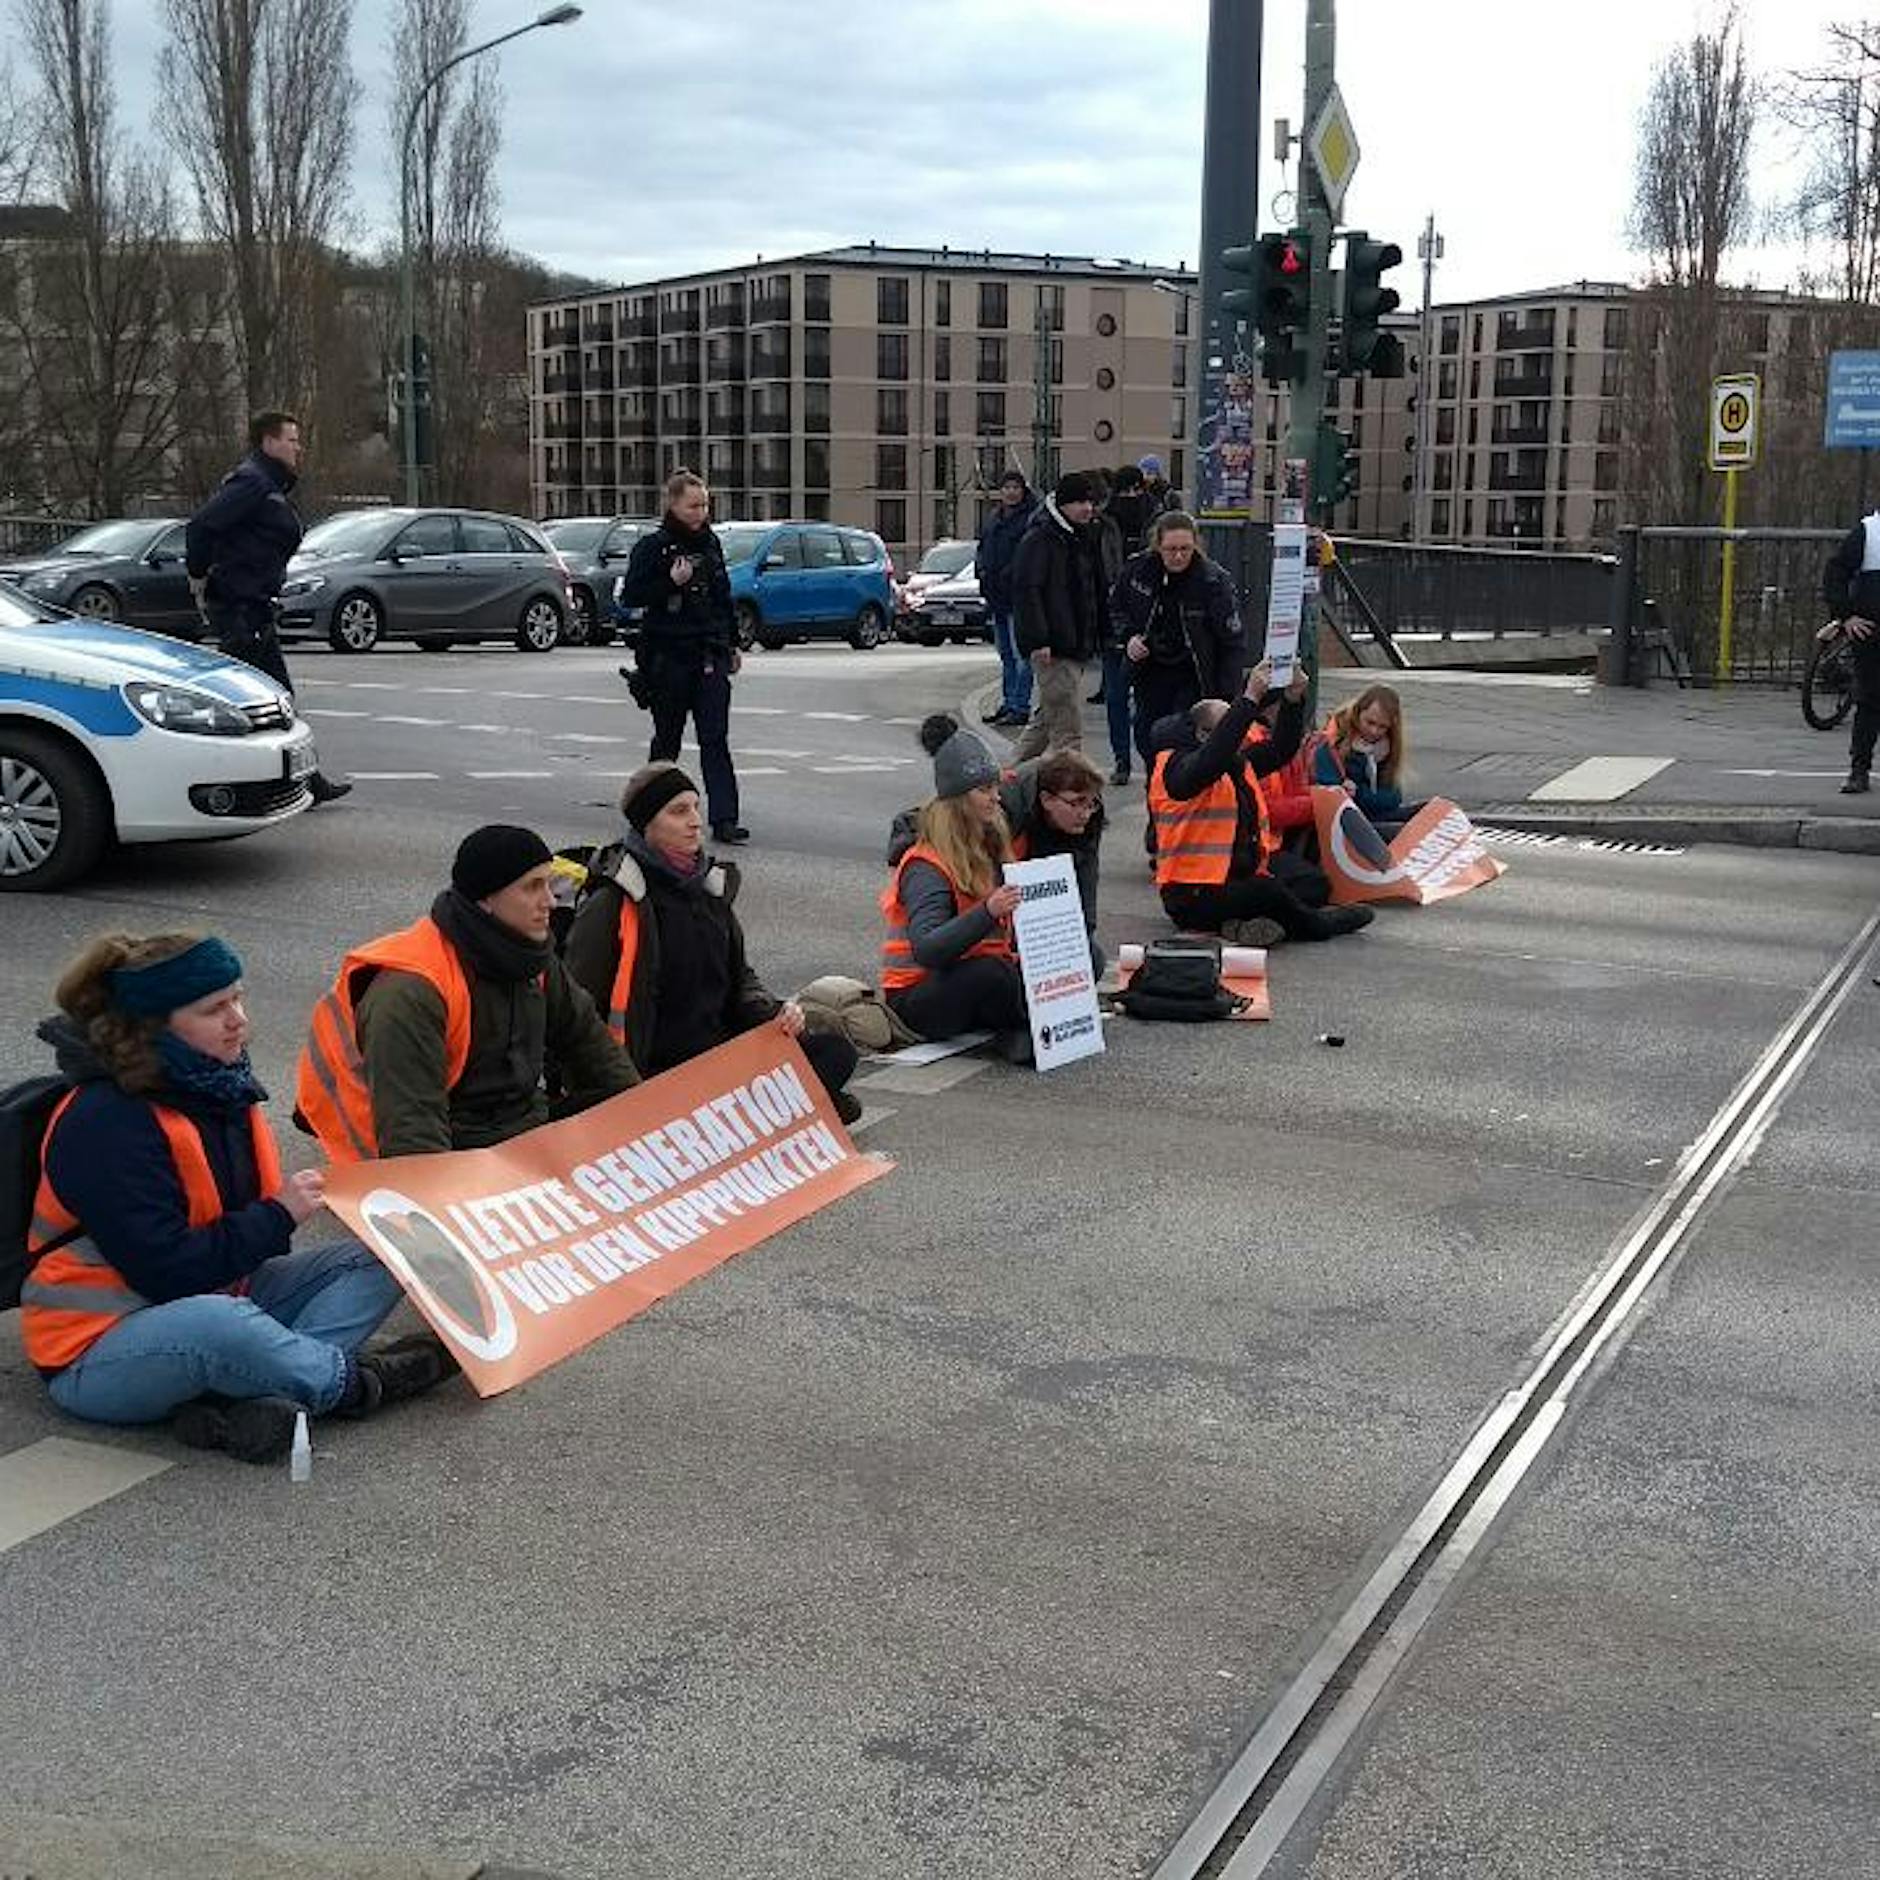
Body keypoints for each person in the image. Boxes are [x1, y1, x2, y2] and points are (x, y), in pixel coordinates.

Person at [20, 932, 451, 1463]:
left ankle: (264, 1395)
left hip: (218, 1297)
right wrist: (278, 1214)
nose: (239, 1020)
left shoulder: (217, 1088)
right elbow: (168, 1272)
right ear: (153, 1026)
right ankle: (358, 1385)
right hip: (95, 1349)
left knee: (388, 1250)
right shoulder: (105, 1122)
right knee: (218, 1325)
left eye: (237, 998)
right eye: (214, 1009)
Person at [296, 824, 640, 1163]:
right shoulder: (412, 990)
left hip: (513, 1129)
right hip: (444, 1147)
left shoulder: (531, 955)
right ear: (487, 899)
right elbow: (412, 1133)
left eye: (548, 884)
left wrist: (643, 1126)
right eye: (532, 887)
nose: (550, 900)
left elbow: (590, 1045)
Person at [564, 763, 863, 1124]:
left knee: (834, 1051)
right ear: (647, 825)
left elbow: (740, 978)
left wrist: (775, 1013)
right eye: (678, 812)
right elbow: (577, 1007)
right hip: (655, 1071)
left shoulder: (708, 888)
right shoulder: (614, 900)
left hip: (720, 1058)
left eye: (696, 807)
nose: (695, 821)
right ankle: (788, 1111)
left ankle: (768, 1114)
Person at [185, 409, 350, 804]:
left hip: (256, 607)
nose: (298, 448)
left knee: (278, 699)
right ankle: (230, 785)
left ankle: (300, 780)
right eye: (292, 440)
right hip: (240, 608)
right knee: (246, 705)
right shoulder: (252, 484)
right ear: (269, 442)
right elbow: (202, 526)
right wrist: (199, 575)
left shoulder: (268, 485)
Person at [1149, 662, 1375, 944]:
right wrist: (1250, 699)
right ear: (1203, 734)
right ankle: (1315, 926)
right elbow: (1210, 760)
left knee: (1311, 884)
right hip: (1193, 894)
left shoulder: (1235, 763)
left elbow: (1280, 749)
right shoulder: (1177, 768)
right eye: (1229, 729)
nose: (1238, 737)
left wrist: (1293, 700)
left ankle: (1248, 924)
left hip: (1236, 874)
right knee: (1268, 893)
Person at [881, 717, 1030, 1058]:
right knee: (993, 974)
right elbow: (928, 949)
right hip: (916, 996)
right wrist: (989, 911)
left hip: (962, 977)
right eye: (984, 790)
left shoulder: (988, 844)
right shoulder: (925, 863)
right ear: (957, 800)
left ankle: (1028, 1020)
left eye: (996, 787)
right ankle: (1023, 1027)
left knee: (1082, 956)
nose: (996, 798)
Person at [616, 470, 747, 844]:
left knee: (715, 738)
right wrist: (669, 584)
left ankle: (724, 819)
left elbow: (723, 598)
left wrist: (733, 644)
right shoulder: (653, 547)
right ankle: (649, 812)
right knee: (668, 741)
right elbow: (632, 597)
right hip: (668, 656)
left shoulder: (711, 545)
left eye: (704, 505)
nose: (700, 512)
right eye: (693, 505)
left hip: (709, 652)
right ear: (673, 504)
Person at [1112, 511, 1247, 780]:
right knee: (1148, 739)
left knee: (1182, 745)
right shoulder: (1139, 571)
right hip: (1150, 671)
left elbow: (1231, 643)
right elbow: (1116, 610)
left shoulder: (1213, 581)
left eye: (1185, 549)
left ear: (1195, 546)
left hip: (1194, 676)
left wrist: (1226, 697)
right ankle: (1156, 801)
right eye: (1171, 549)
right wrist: (1129, 638)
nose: (1178, 556)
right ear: (1158, 547)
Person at [1011, 470, 1106, 761]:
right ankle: (1075, 792)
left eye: (1090, 502)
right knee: (1067, 731)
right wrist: (1039, 639)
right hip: (1055, 648)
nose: (1087, 509)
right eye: (1079, 502)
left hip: (1074, 645)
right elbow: (1028, 591)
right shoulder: (1041, 539)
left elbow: (1092, 590)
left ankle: (1005, 784)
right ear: (1063, 505)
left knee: (1044, 722)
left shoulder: (1080, 537)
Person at [1001, 745, 1108, 974]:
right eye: (1075, 803)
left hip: (1038, 892)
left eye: (1090, 803)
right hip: (998, 900)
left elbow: (1086, 876)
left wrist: (1081, 937)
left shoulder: (1091, 814)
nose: (1085, 813)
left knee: (1091, 960)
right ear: (1047, 800)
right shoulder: (1006, 807)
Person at [1820, 507, 1880, 793]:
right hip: (1871, 630)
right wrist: (1846, 616)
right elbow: (1835, 573)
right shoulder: (1868, 531)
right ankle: (1859, 769)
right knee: (1869, 700)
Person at [1313, 685, 1424, 834]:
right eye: (1370, 722)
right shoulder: (1333, 742)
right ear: (1357, 713)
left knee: (1432, 809)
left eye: (1382, 727)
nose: (1374, 731)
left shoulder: (1385, 747)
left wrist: (1359, 793)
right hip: (1346, 825)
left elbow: (1393, 798)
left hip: (1373, 815)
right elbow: (1330, 797)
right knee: (1408, 832)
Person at [975, 470, 1039, 728]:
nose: (1011, 492)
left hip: (1018, 596)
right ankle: (1008, 702)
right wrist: (981, 572)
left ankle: (1020, 705)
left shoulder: (1030, 518)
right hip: (996, 596)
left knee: (1020, 654)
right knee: (1005, 655)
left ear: (1023, 490)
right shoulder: (994, 518)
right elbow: (982, 549)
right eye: (1006, 487)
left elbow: (1028, 555)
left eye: (1015, 487)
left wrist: (1009, 574)